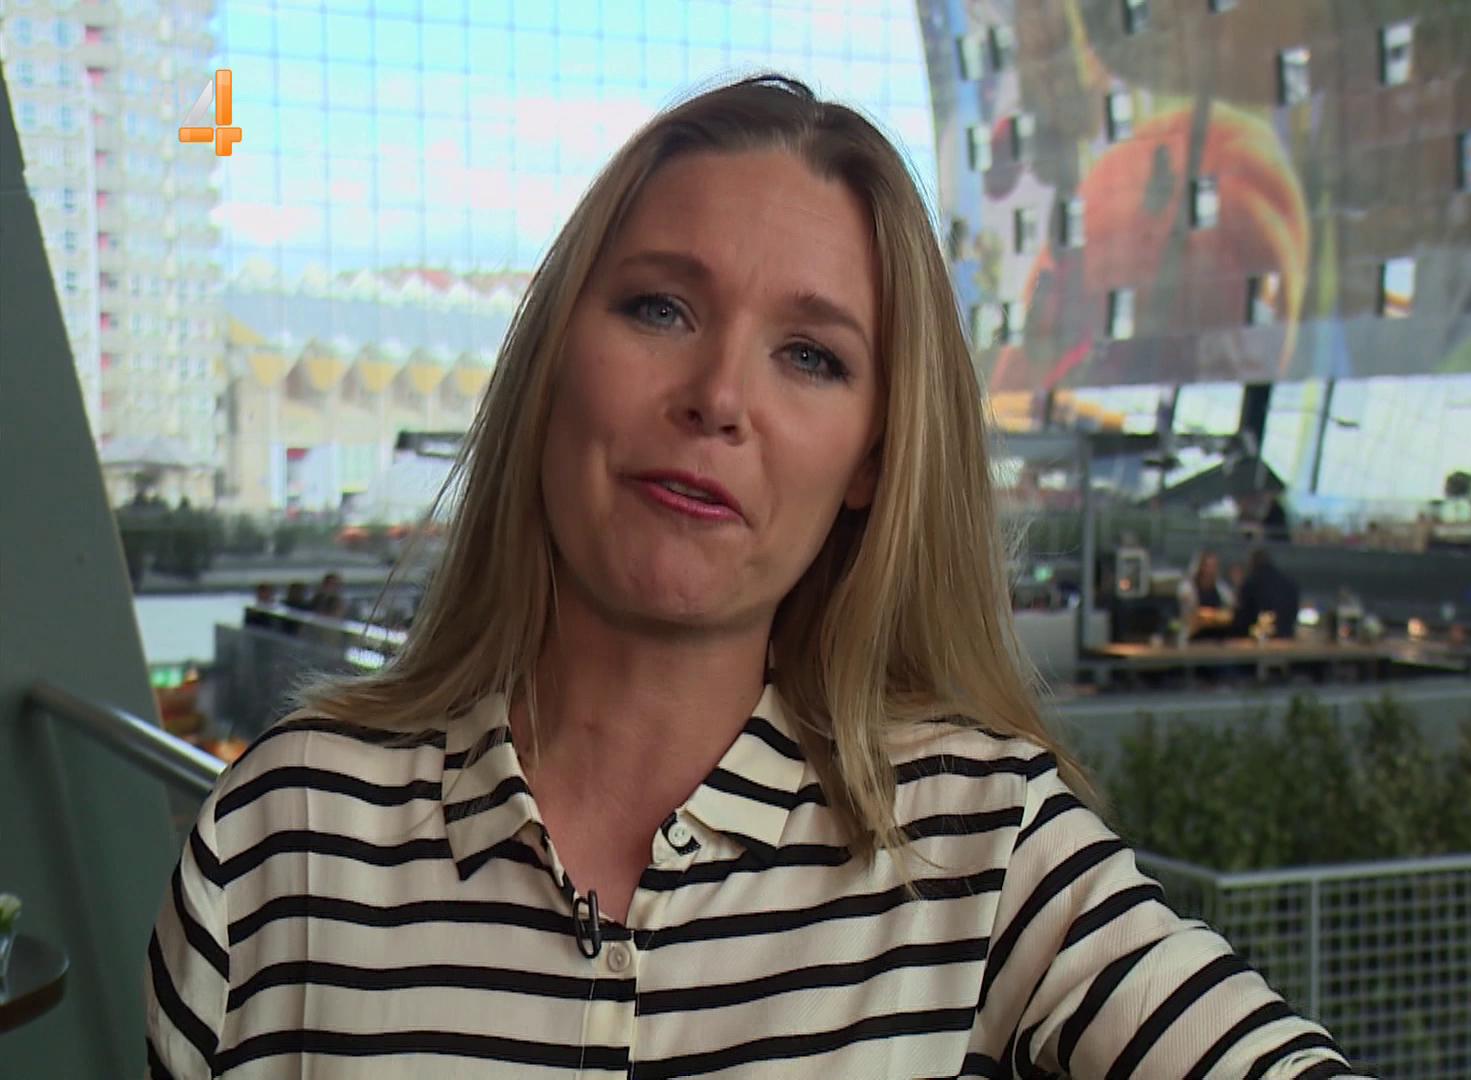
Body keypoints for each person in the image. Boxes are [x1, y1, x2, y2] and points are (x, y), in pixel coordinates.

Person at [145, 76, 1363, 1079]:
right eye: (660, 308)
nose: (718, 397)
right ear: (554, 360)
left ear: (873, 460)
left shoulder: (980, 844)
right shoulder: (283, 840)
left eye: (811, 356)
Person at [1232, 545, 1302, 640]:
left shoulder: (1251, 584)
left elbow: (1242, 618)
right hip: (1286, 638)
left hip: (1257, 640)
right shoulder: (1289, 583)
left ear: (1252, 563)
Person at [1177, 549, 1237, 642]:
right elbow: (1188, 614)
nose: (1211, 570)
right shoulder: (1188, 588)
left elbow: (1231, 606)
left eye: (1214, 566)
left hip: (1218, 635)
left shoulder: (1220, 587)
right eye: (1208, 566)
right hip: (1193, 635)